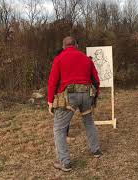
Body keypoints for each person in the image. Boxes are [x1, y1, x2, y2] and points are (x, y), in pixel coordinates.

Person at [48, 36, 102, 172]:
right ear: (76, 45)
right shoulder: (86, 59)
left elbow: (53, 82)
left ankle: (65, 163)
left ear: (64, 46)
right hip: (86, 94)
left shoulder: (59, 58)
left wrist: (50, 101)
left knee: (59, 129)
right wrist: (95, 97)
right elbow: (96, 80)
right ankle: (96, 151)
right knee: (89, 122)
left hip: (69, 97)